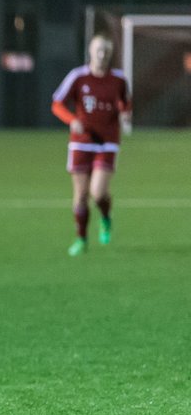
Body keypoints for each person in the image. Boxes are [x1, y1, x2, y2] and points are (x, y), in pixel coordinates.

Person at [51, 34, 132, 256]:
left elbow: (126, 103)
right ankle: (81, 238)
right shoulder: (78, 77)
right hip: (81, 143)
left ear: (111, 53)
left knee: (98, 191)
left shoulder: (119, 80)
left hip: (107, 142)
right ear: (90, 51)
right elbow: (57, 104)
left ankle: (105, 217)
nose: (102, 54)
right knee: (80, 195)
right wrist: (72, 120)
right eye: (98, 49)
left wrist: (125, 115)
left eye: (106, 50)